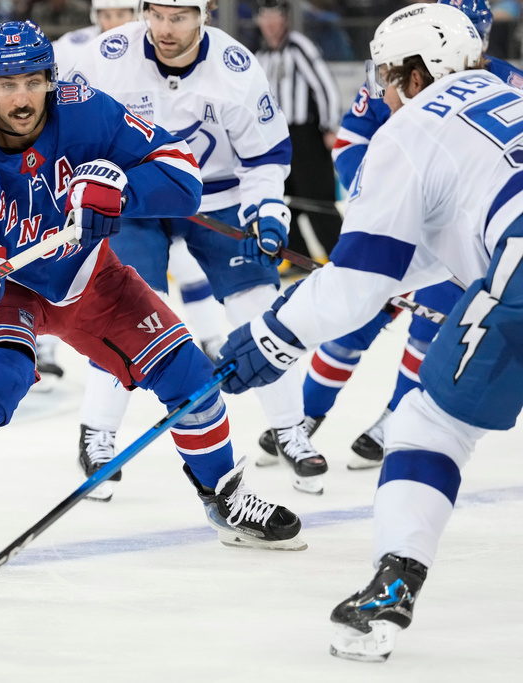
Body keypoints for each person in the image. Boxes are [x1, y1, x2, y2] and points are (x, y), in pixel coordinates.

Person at [0, 20, 306, 588]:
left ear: (50, 79)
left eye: (30, 81)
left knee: (188, 370)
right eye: (3, 84)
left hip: (92, 276)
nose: (19, 98)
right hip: (12, 292)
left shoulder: (86, 109)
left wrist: (120, 187)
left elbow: (182, 175)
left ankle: (224, 495)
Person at [214, 2, 523, 662]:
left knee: (428, 427)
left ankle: (393, 586)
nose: (381, 90)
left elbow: (358, 283)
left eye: (387, 74)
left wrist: (274, 332)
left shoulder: (415, 126)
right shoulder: (506, 90)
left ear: (418, 73)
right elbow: (443, 240)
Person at [66, 1, 326, 498]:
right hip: (137, 198)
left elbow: (266, 158)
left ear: (204, 14)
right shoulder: (107, 55)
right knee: (121, 306)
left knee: (255, 305)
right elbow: (66, 126)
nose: (165, 29)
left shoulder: (236, 68)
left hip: (219, 199)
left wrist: (267, 211)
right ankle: (97, 430)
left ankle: (290, 426)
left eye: (179, 17)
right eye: (157, 15)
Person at [261, 0, 523, 471]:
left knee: (429, 333)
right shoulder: (401, 67)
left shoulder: (501, 77)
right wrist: (383, 198)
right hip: (399, 224)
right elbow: (352, 140)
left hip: (453, 233)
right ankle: (303, 416)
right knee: (352, 326)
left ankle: (395, 419)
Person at [33, 0, 141, 389]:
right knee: (54, 252)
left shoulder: (145, 53)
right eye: (107, 15)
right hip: (71, 171)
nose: (113, 23)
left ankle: (206, 333)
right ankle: (43, 350)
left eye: (122, 15)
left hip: (117, 174)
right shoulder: (71, 47)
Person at [255, 0, 343, 264]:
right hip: (277, 138)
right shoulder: (261, 56)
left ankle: (341, 261)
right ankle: (299, 260)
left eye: (275, 17)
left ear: (285, 20)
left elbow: (325, 86)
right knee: (283, 201)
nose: (270, 24)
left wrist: (329, 126)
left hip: (306, 137)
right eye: (265, 18)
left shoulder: (298, 47)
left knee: (318, 202)